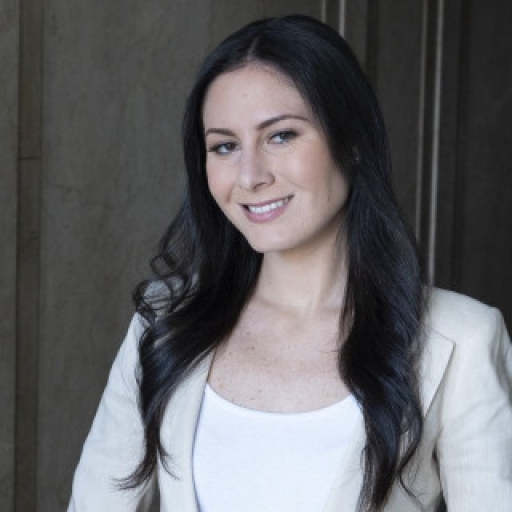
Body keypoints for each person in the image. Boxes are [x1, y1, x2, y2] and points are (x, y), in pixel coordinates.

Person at [68, 14, 512, 512]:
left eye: (280, 136)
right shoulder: (165, 321)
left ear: (352, 143)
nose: (250, 176)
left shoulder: (462, 340)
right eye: (225, 146)